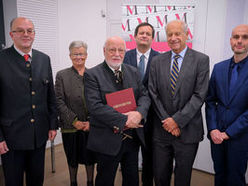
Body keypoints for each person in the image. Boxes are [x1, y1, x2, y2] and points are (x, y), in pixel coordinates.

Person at [148, 20, 209, 186]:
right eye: (170, 34)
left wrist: (177, 121)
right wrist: (168, 121)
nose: (173, 38)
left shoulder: (201, 60)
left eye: (177, 34)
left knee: (183, 178)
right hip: (161, 131)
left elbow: (199, 95)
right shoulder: (156, 61)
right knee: (160, 177)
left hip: (188, 131)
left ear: (186, 35)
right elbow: (153, 94)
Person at [84, 36, 150, 186]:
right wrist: (126, 119)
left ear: (125, 52)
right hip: (106, 139)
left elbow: (144, 96)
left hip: (132, 140)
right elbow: (95, 106)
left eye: (121, 50)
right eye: (112, 50)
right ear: (104, 51)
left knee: (132, 179)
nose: (116, 54)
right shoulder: (92, 74)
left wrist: (139, 114)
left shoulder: (133, 71)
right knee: (105, 180)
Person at [0, 17, 57, 186]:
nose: (26, 34)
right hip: (11, 138)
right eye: (20, 30)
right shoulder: (2, 59)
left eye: (30, 31)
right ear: (12, 34)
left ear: (34, 34)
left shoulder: (43, 59)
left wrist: (52, 124)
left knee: (36, 179)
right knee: (13, 181)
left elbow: (50, 95)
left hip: (38, 135)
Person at [205, 24, 248, 186]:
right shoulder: (219, 68)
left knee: (236, 178)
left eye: (244, 37)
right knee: (220, 175)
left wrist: (229, 133)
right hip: (217, 136)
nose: (240, 41)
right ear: (231, 41)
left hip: (240, 136)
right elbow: (210, 100)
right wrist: (213, 128)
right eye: (236, 37)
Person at [123, 22, 159, 186]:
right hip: (128, 118)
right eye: (141, 33)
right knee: (128, 159)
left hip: (152, 118)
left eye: (148, 33)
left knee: (149, 157)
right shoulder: (124, 56)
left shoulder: (161, 59)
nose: (144, 35)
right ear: (135, 36)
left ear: (153, 38)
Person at [55, 41, 95, 186]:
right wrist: (74, 121)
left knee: (90, 157)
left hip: (90, 126)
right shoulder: (62, 75)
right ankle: (73, 183)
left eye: (81, 54)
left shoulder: (93, 74)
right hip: (70, 126)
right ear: (70, 56)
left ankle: (90, 182)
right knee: (72, 158)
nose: (79, 57)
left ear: (86, 55)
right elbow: (59, 101)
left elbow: (97, 100)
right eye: (75, 54)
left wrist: (91, 121)